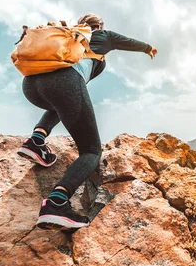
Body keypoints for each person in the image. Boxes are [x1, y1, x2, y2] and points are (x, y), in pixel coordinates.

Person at [17, 14, 157, 230]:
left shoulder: (68, 36)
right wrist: (148, 48)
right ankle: (57, 203)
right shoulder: (102, 35)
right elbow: (129, 42)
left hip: (31, 85)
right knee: (91, 151)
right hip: (64, 82)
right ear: (99, 25)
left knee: (59, 104)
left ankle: (36, 141)